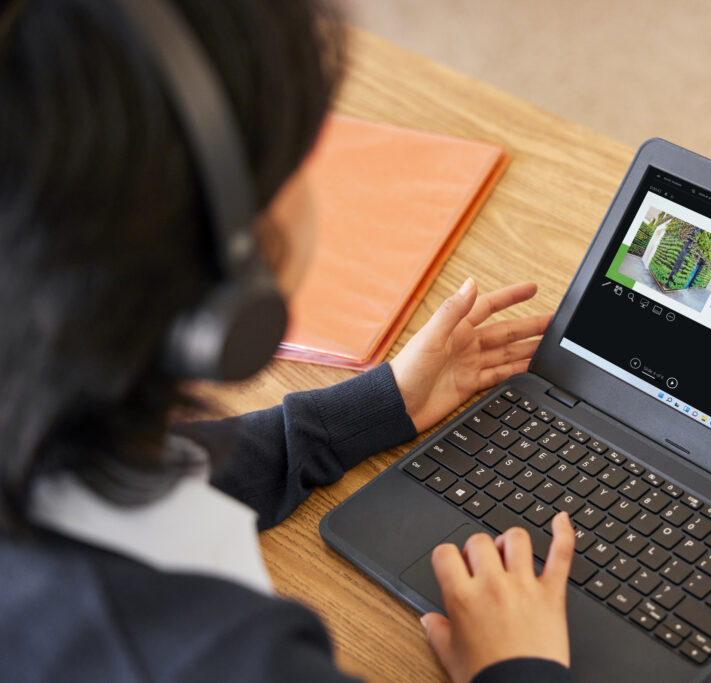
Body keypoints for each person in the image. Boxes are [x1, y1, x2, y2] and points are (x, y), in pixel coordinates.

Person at [0, 1, 575, 681]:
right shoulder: (229, 660)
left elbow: (114, 473)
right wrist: (520, 667)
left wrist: (372, 406)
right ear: (235, 254)